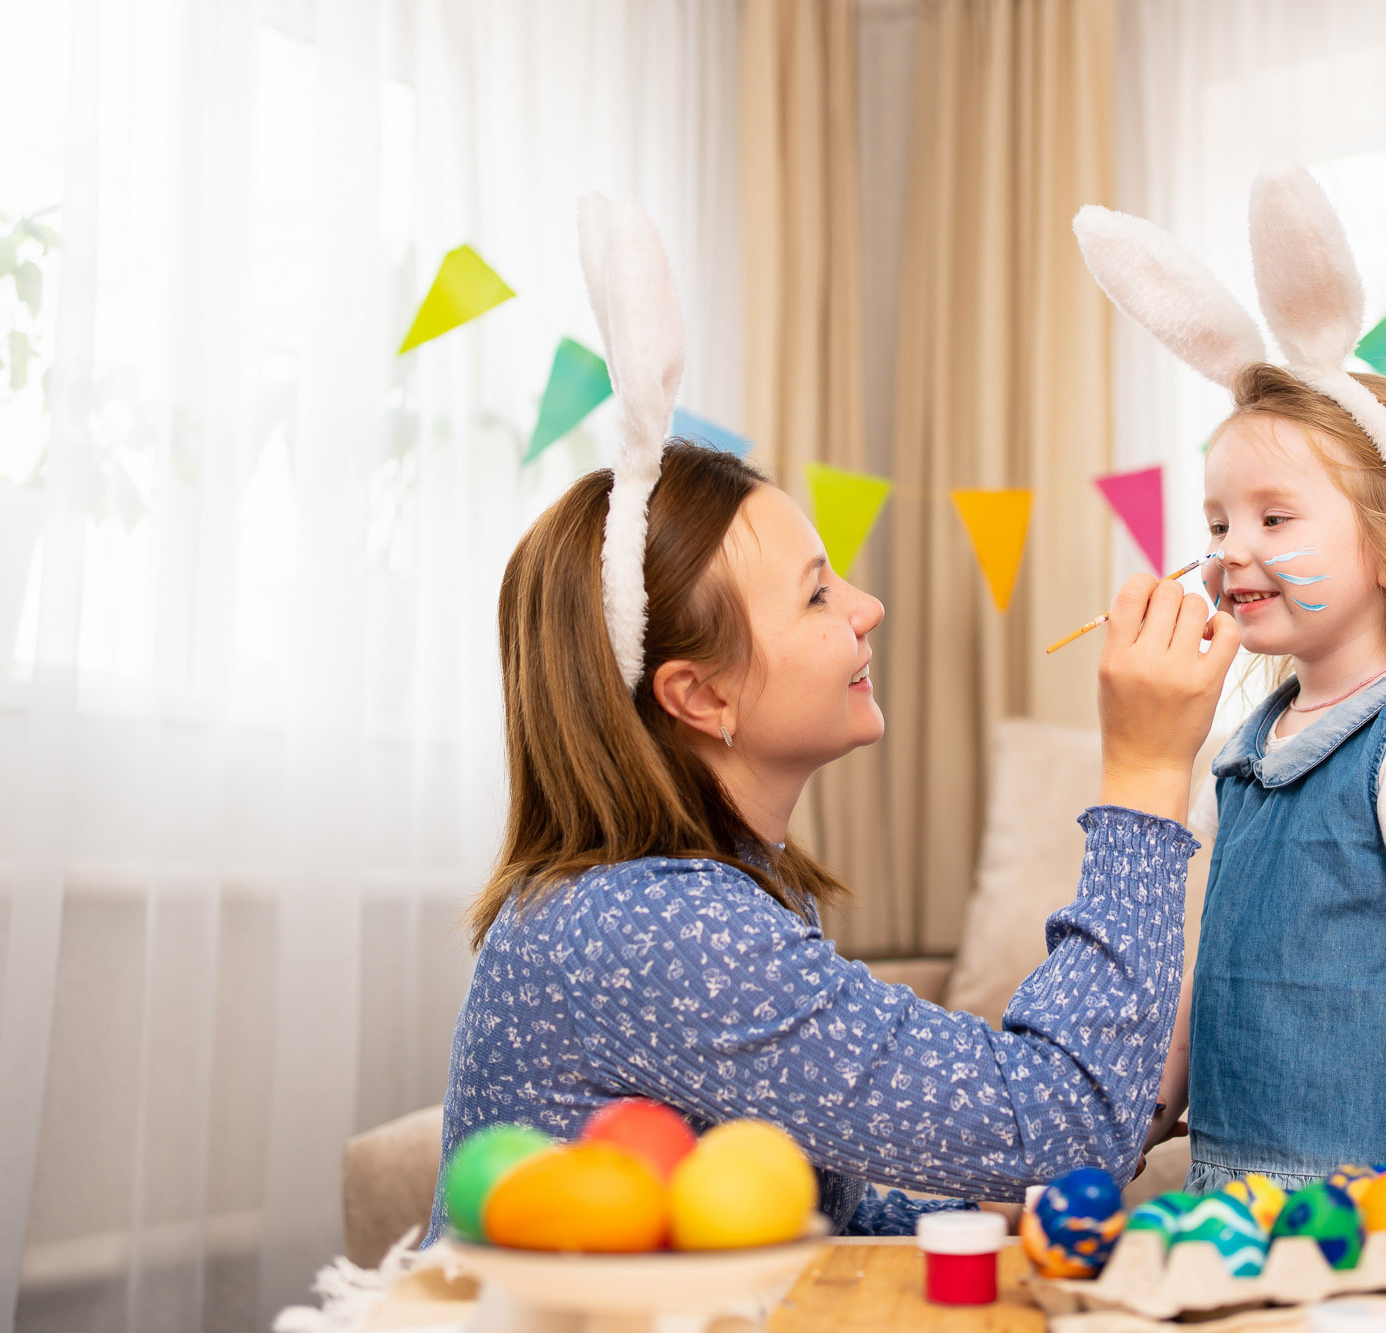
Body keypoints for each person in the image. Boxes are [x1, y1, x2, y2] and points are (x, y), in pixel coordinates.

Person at [423, 195, 1239, 1243]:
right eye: (816, 595)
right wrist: (1142, 769)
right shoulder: (657, 929)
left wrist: (995, 1184)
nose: (867, 608)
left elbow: (823, 1206)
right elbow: (1054, 1126)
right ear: (698, 695)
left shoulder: (719, 895)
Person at [1080, 166, 1386, 1196]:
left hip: (1367, 1212)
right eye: (1217, 523)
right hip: (1234, 1192)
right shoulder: (1250, 740)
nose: (1230, 552)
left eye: (1274, 516)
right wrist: (1145, 1103)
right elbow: (1211, 966)